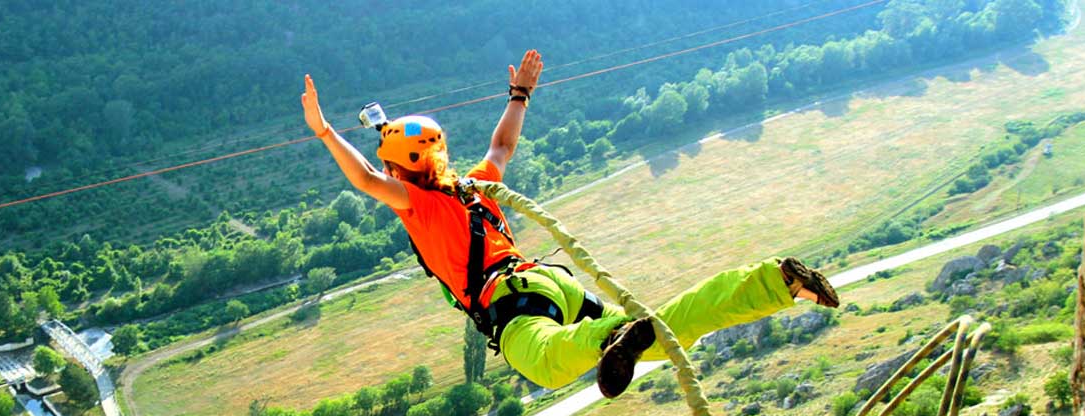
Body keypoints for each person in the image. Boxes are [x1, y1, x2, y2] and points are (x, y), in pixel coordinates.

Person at [299, 50, 839, 398]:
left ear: (400, 171)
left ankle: (612, 335)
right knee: (665, 333)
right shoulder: (474, 188)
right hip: (548, 281)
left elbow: (367, 179)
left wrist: (325, 133)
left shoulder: (418, 204)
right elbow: (502, 145)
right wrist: (520, 94)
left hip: (510, 300)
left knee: (551, 364)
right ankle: (775, 281)